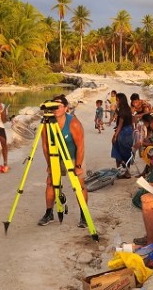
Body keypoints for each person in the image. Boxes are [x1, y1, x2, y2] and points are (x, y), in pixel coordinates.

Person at [37, 94, 88, 228]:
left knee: (79, 186)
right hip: (55, 157)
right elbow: (45, 145)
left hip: (73, 157)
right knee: (50, 183)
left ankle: (84, 215)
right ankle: (49, 213)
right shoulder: (47, 123)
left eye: (59, 106)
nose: (56, 108)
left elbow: (81, 146)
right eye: (54, 105)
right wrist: (49, 164)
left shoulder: (74, 123)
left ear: (66, 108)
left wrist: (78, 165)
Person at [111, 93, 134, 178]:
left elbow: (120, 124)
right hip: (129, 132)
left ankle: (120, 171)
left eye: (117, 100)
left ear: (120, 100)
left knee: (118, 151)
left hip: (123, 133)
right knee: (127, 152)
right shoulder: (127, 109)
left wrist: (115, 136)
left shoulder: (122, 111)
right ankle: (127, 172)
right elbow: (130, 122)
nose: (116, 102)